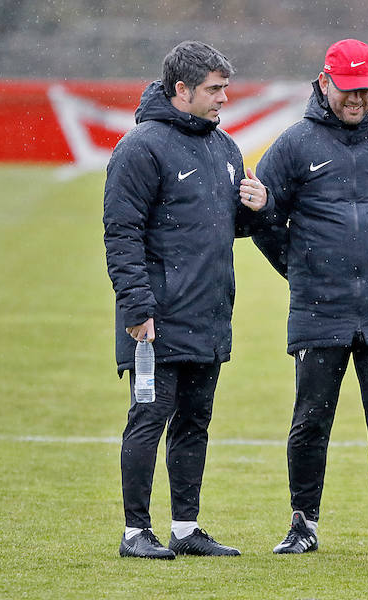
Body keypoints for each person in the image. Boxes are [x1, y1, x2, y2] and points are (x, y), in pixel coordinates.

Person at [252, 39, 368, 557]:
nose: (356, 100)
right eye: (347, 90)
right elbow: (262, 215)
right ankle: (303, 523)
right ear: (324, 82)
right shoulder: (292, 145)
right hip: (317, 307)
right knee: (311, 418)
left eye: (364, 91)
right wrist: (298, 266)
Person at [103, 40, 270, 560]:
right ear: (182, 90)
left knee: (195, 422)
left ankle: (185, 528)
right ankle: (136, 533)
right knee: (149, 418)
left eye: (225, 88)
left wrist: (258, 208)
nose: (225, 98)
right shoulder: (140, 147)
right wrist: (136, 308)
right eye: (215, 89)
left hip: (209, 314)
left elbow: (227, 227)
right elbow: (121, 231)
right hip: (156, 318)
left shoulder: (225, 148)